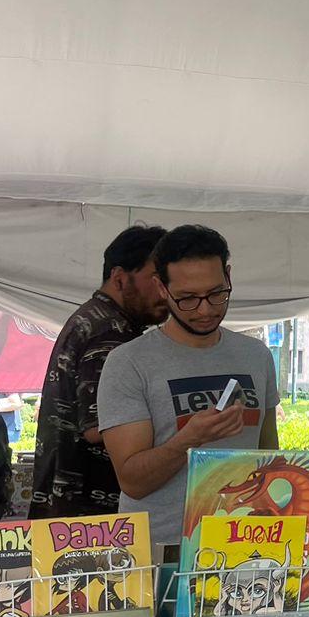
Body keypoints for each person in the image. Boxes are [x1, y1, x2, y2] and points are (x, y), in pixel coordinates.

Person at [98, 225, 280, 554]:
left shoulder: (257, 356)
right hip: (160, 550)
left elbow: (268, 456)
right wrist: (190, 440)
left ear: (228, 276)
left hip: (244, 543)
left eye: (216, 293)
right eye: (187, 299)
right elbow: (133, 482)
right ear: (161, 288)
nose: (205, 309)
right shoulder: (128, 363)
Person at [30, 224, 168, 519]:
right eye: (155, 278)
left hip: (69, 510)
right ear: (119, 278)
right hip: (90, 519)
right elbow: (97, 427)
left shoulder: (95, 318)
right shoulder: (110, 331)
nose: (165, 291)